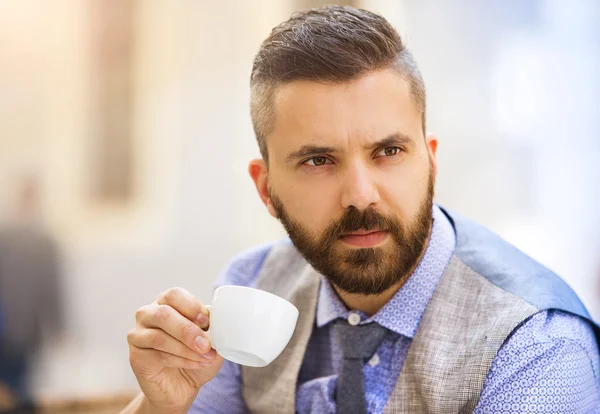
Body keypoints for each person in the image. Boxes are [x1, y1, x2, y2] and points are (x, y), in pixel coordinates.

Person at [123, 6, 600, 414]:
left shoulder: (536, 346)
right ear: (266, 189)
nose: (360, 194)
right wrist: (161, 405)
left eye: (388, 152)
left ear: (430, 162)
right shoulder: (252, 285)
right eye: (318, 160)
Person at [0, 175, 63, 405]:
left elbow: (51, 287)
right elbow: (52, 287)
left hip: (22, 332)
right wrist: (58, 327)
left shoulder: (41, 241)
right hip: (17, 330)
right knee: (18, 391)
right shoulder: (8, 237)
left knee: (18, 388)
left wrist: (57, 327)